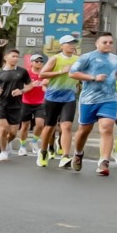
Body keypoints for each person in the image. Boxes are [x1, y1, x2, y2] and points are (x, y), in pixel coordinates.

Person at [69, 32, 117, 176]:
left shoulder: (115, 59)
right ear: (97, 43)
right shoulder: (87, 57)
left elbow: (114, 75)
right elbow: (72, 73)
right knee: (84, 130)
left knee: (107, 127)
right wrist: (93, 77)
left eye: (110, 42)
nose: (108, 45)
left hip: (109, 99)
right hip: (89, 100)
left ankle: (104, 161)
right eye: (105, 42)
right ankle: (78, 153)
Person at [39, 34, 80, 168]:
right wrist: (60, 72)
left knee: (66, 126)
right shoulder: (55, 58)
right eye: (69, 43)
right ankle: (43, 152)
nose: (72, 45)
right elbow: (42, 74)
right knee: (49, 127)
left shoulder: (78, 59)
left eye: (74, 43)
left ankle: (65, 156)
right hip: (52, 97)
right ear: (62, 45)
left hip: (69, 97)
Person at [0, 48, 34, 162]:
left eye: (17, 57)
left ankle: (6, 142)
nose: (15, 59)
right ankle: (3, 151)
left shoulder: (22, 71)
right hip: (1, 104)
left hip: (16, 105)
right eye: (13, 56)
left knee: (13, 133)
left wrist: (22, 91)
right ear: (6, 57)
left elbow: (30, 85)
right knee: (3, 128)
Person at [18, 54, 47, 156]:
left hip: (41, 102)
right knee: (25, 125)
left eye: (40, 61)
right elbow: (22, 88)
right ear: (31, 63)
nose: (39, 63)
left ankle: (34, 142)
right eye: (36, 61)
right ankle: (22, 146)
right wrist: (31, 86)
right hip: (26, 102)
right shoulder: (26, 74)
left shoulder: (45, 74)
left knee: (40, 124)